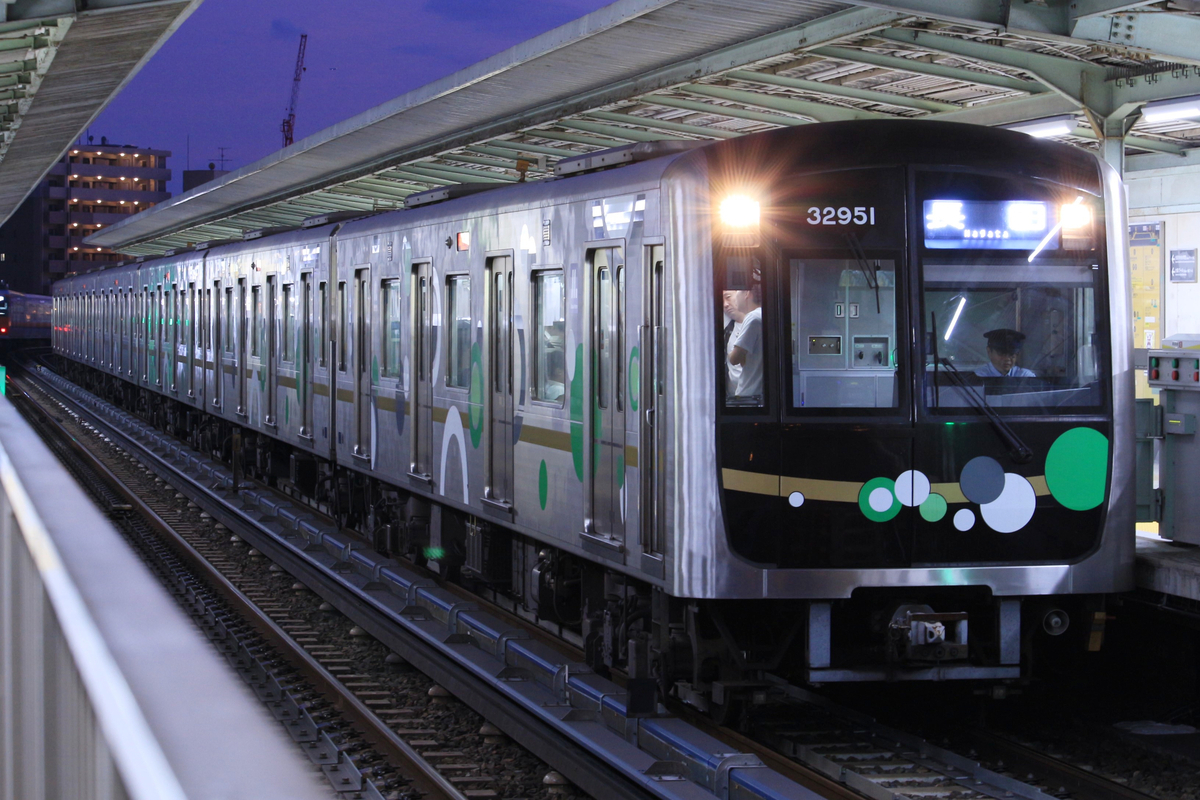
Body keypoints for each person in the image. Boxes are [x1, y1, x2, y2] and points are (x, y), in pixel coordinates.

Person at [728, 285, 763, 399]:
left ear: (747, 293)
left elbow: (734, 359)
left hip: (749, 394)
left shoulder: (753, 317)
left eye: (737, 291)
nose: (735, 297)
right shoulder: (763, 315)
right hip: (759, 393)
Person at [722, 290, 745, 397]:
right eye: (721, 301)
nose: (725, 304)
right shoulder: (727, 330)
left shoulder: (757, 323)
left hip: (754, 396)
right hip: (731, 397)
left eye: (728, 297)